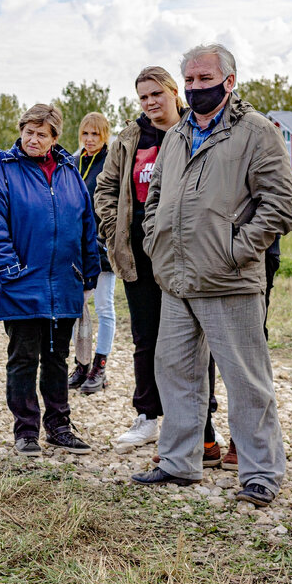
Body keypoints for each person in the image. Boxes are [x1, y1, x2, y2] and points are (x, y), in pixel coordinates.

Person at [131, 43, 292, 508]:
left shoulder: (257, 132)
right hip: (176, 277)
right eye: (189, 80)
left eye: (205, 79)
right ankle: (179, 462)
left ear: (230, 81)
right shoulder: (178, 133)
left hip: (229, 279)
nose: (196, 88)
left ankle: (261, 472)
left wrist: (235, 251)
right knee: (177, 373)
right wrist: (155, 240)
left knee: (246, 380)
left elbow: (279, 207)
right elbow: (158, 190)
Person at [0, 103, 101, 456]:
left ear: (54, 138)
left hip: (64, 284)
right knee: (24, 358)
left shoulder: (69, 172)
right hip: (20, 284)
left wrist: (88, 271)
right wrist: (9, 269)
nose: (33, 139)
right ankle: (26, 430)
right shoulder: (2, 172)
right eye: (28, 131)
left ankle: (59, 426)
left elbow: (85, 224)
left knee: (57, 359)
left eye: (41, 134)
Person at [94, 66, 188, 454]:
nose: (150, 103)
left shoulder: (193, 131)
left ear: (173, 92)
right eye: (143, 97)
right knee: (145, 338)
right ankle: (147, 417)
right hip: (138, 255)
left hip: (186, 254)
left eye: (156, 94)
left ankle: (199, 423)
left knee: (191, 341)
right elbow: (106, 188)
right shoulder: (129, 138)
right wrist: (114, 230)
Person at [68, 111, 116, 394]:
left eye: (95, 134)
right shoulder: (75, 162)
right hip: (78, 247)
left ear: (105, 135)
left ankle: (100, 366)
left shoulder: (111, 162)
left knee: (104, 307)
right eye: (85, 133)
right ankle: (82, 364)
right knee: (78, 308)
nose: (89, 139)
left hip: (104, 244)